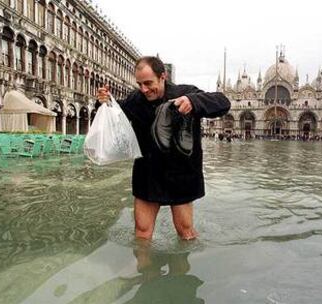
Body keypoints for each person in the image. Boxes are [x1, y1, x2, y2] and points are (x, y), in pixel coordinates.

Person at [97, 56, 230, 240]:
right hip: (148, 174)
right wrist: (104, 101)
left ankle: (182, 268)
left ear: (163, 77)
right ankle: (143, 268)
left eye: (148, 83)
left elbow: (223, 103)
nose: (144, 89)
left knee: (185, 231)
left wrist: (194, 102)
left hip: (181, 174)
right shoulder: (136, 99)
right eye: (140, 84)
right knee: (142, 233)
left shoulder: (185, 93)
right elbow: (114, 113)